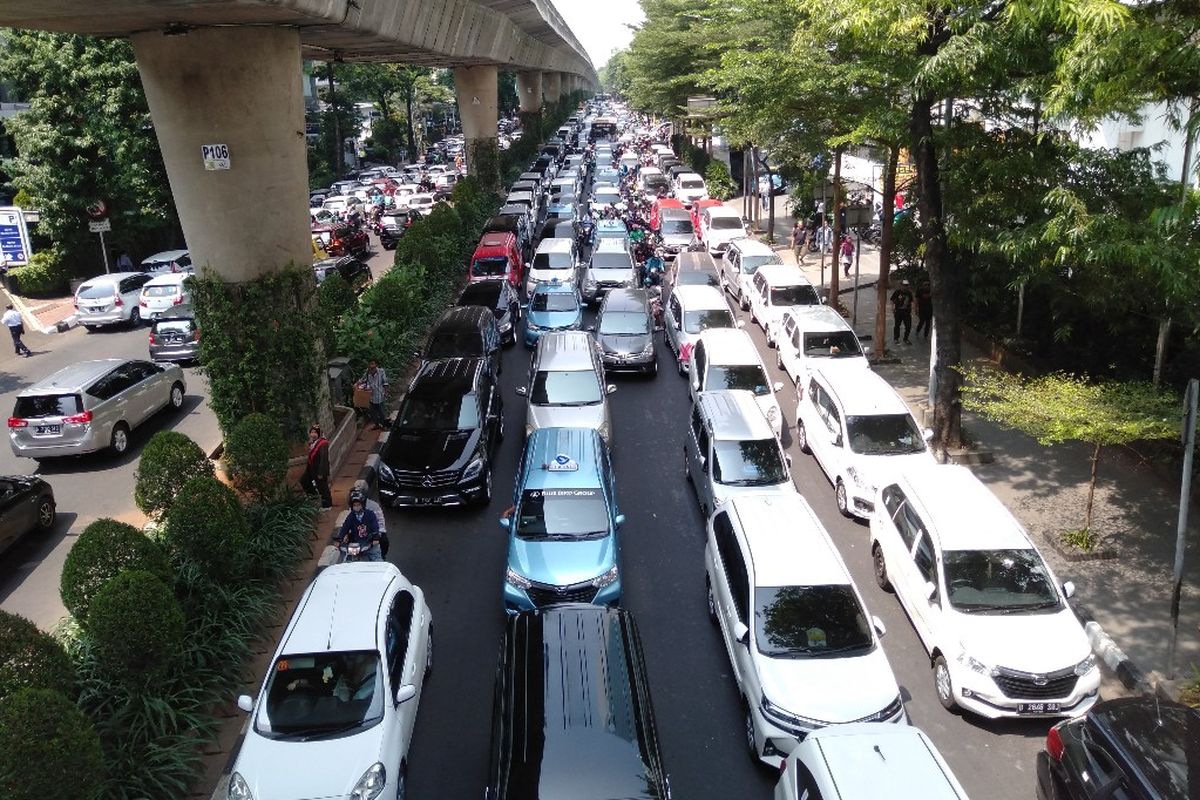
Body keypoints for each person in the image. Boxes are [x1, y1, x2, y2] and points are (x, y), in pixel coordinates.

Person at [336, 489, 382, 561]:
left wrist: (376, 538)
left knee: (378, 563)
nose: (356, 507)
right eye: (354, 505)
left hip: (370, 544)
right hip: (356, 545)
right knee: (346, 562)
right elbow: (345, 528)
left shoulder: (370, 514)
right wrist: (339, 539)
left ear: (362, 505)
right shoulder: (351, 516)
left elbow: (375, 526)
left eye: (358, 505)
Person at [352, 479, 389, 557]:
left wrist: (378, 535)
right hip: (358, 535)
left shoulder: (374, 506)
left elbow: (380, 523)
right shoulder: (353, 506)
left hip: (372, 535)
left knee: (384, 543)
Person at [302, 424, 333, 510]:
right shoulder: (312, 443)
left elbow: (324, 459)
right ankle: (314, 496)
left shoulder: (323, 443)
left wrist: (321, 472)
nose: (313, 434)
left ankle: (327, 504)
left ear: (318, 433)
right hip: (311, 468)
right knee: (304, 481)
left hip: (319, 469)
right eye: (311, 432)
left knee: (322, 487)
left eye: (315, 432)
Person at [359, 360, 389, 430]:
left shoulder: (381, 372)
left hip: (379, 395)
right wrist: (357, 383)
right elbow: (363, 380)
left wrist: (386, 392)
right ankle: (377, 424)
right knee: (373, 413)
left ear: (376, 365)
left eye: (373, 364)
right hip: (371, 396)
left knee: (382, 412)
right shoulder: (367, 372)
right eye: (370, 364)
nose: (371, 366)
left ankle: (385, 426)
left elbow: (385, 382)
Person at [891, 280, 915, 345]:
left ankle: (906, 338)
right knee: (897, 325)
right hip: (898, 311)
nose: (905, 287)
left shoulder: (909, 293)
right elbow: (892, 300)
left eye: (906, 286)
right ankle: (896, 338)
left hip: (907, 312)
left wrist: (913, 308)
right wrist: (893, 308)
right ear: (901, 285)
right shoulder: (897, 292)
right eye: (904, 285)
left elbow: (912, 301)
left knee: (908, 326)